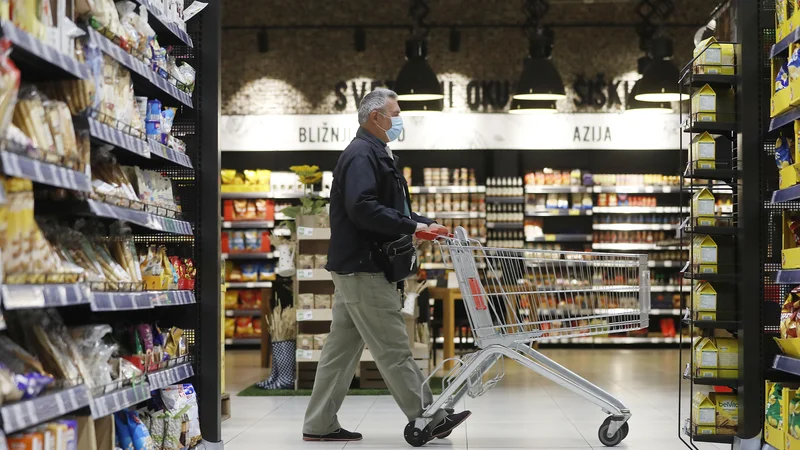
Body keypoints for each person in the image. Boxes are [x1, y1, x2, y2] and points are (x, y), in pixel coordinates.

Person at [302, 88, 471, 444]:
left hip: (356, 265)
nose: (399, 121)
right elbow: (362, 207)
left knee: (340, 351)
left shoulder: (375, 153)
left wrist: (423, 224)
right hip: (365, 267)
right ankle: (428, 417)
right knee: (393, 348)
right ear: (375, 117)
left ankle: (318, 423)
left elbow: (392, 209)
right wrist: (412, 227)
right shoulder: (362, 155)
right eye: (394, 114)